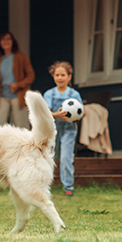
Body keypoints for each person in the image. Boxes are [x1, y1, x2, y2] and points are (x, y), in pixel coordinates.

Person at [43, 61, 82, 197]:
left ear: (69, 77)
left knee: (66, 158)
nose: (60, 78)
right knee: (52, 156)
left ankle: (68, 187)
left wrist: (77, 115)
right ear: (53, 76)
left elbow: (81, 112)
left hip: (69, 129)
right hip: (53, 129)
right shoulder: (49, 94)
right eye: (57, 75)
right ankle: (46, 184)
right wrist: (56, 115)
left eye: (63, 75)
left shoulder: (74, 94)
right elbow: (46, 112)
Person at [0, 31, 35, 129]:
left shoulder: (20, 56)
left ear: (13, 41)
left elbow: (31, 76)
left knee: (21, 126)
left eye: (8, 39)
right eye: (3, 39)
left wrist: (18, 85)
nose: (6, 41)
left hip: (18, 96)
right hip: (1, 96)